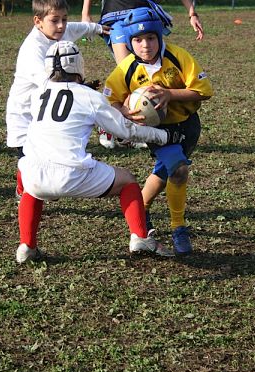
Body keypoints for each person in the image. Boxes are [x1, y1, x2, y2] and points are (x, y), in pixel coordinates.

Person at [15, 41, 185, 263]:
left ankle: (26, 246)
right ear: (79, 66)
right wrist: (164, 136)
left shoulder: (38, 94)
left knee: (31, 185)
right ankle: (141, 237)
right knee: (127, 180)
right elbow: (126, 130)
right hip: (72, 173)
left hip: (35, 173)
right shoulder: (90, 97)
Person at [104, 8, 213, 255]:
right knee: (179, 170)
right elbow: (108, 99)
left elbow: (204, 91)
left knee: (165, 172)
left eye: (151, 38)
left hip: (188, 125)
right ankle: (178, 227)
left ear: (160, 37)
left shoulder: (178, 56)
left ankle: (140, 211)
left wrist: (169, 94)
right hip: (157, 132)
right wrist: (123, 109)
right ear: (130, 42)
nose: (145, 45)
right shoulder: (127, 68)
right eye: (138, 40)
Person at [6, 0, 110, 200]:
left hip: (46, 111)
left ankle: (27, 191)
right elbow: (47, 84)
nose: (62, 25)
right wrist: (81, 89)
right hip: (24, 116)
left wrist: (98, 28)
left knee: (43, 164)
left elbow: (78, 28)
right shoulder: (32, 49)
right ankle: (23, 193)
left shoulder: (61, 31)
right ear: (38, 21)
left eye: (64, 19)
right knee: (32, 165)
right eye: (55, 20)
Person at [82, 0, 204, 149]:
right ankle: (114, 125)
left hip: (144, 13)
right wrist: (85, 13)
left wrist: (192, 13)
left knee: (145, 69)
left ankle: (140, 125)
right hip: (115, 15)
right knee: (127, 70)